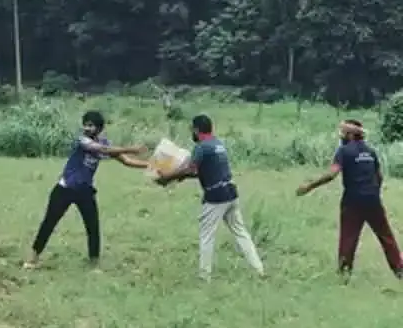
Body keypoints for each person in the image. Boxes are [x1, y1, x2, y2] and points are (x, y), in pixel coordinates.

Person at [24, 110, 147, 270]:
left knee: (93, 227)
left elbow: (126, 161)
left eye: (91, 125)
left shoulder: (105, 143)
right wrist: (131, 148)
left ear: (99, 128)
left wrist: (149, 165)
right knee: (49, 223)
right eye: (86, 125)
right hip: (65, 188)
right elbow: (102, 151)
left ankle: (94, 263)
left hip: (85, 191)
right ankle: (33, 258)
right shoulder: (82, 140)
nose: (87, 128)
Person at [156, 114, 265, 280]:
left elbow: (191, 169)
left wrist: (167, 177)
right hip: (230, 192)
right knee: (240, 232)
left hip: (216, 196)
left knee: (206, 235)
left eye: (192, 129)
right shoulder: (217, 144)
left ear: (197, 130)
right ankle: (259, 269)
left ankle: (204, 275)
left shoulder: (202, 147)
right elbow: (201, 171)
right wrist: (179, 176)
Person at [296, 119, 403, 280]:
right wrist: (373, 192)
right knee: (386, 236)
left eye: (342, 132)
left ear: (350, 135)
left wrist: (309, 186)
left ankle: (344, 273)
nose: (340, 135)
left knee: (348, 237)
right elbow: (379, 176)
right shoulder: (371, 151)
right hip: (373, 200)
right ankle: (399, 270)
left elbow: (332, 173)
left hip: (352, 201)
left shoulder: (344, 151)